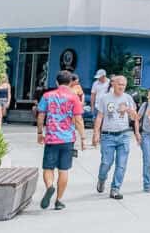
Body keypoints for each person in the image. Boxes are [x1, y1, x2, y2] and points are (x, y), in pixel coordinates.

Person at [37, 70, 85, 211]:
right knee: (64, 170)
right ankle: (58, 200)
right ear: (70, 82)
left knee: (48, 167)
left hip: (51, 138)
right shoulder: (74, 97)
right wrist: (82, 137)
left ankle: (50, 186)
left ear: (57, 82)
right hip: (67, 139)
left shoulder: (47, 96)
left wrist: (40, 132)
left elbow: (40, 116)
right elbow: (78, 120)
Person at [93, 74, 137, 199]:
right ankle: (102, 179)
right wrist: (96, 133)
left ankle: (115, 189)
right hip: (108, 136)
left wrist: (128, 110)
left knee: (121, 164)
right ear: (113, 84)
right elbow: (100, 117)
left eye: (124, 85)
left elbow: (134, 117)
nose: (121, 87)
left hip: (124, 135)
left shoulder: (128, 98)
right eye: (119, 84)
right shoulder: (105, 98)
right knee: (106, 163)